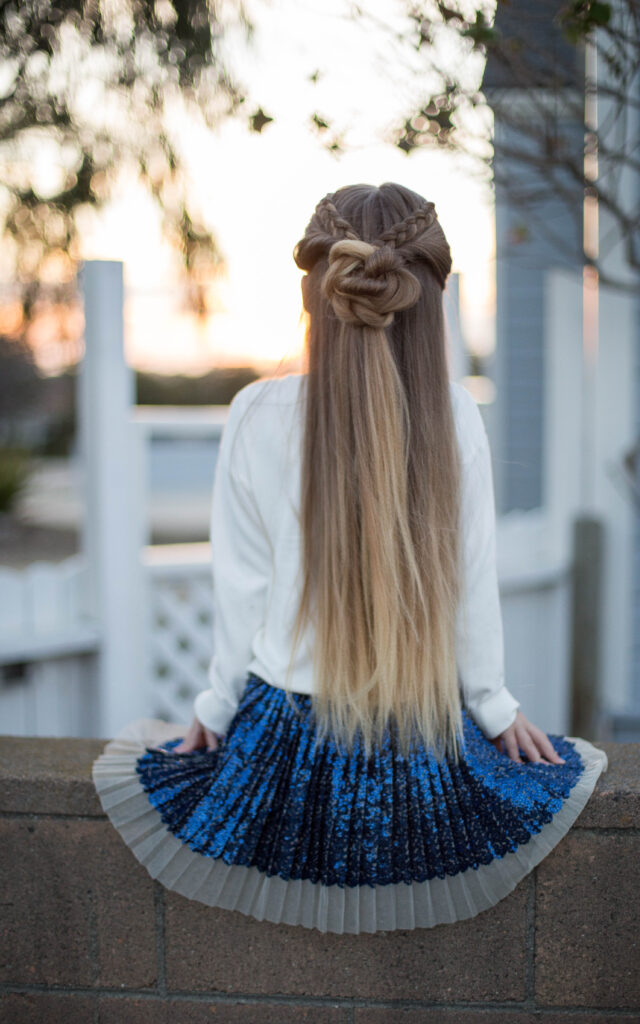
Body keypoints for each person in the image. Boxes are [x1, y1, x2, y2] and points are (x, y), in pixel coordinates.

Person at [92, 182, 608, 934]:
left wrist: (212, 709)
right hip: (421, 736)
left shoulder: (253, 414)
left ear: (314, 295)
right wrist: (493, 705)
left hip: (278, 740)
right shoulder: (455, 411)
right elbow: (470, 578)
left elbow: (241, 586)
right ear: (428, 302)